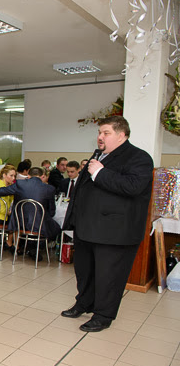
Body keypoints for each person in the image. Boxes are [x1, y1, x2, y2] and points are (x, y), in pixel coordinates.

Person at [61, 116, 153, 332]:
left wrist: (100, 173)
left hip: (115, 231)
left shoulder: (139, 158)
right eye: (99, 133)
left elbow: (133, 187)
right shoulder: (99, 155)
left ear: (121, 135)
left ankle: (103, 315)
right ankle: (84, 303)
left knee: (109, 276)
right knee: (85, 271)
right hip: (88, 227)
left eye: (106, 133)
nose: (100, 137)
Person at [0, 166, 61, 260]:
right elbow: (52, 212)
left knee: (21, 222)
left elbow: (2, 191)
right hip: (39, 225)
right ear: (42, 176)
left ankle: (26, 247)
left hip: (20, 224)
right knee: (57, 229)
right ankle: (34, 248)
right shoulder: (50, 189)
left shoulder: (20, 184)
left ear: (28, 176)